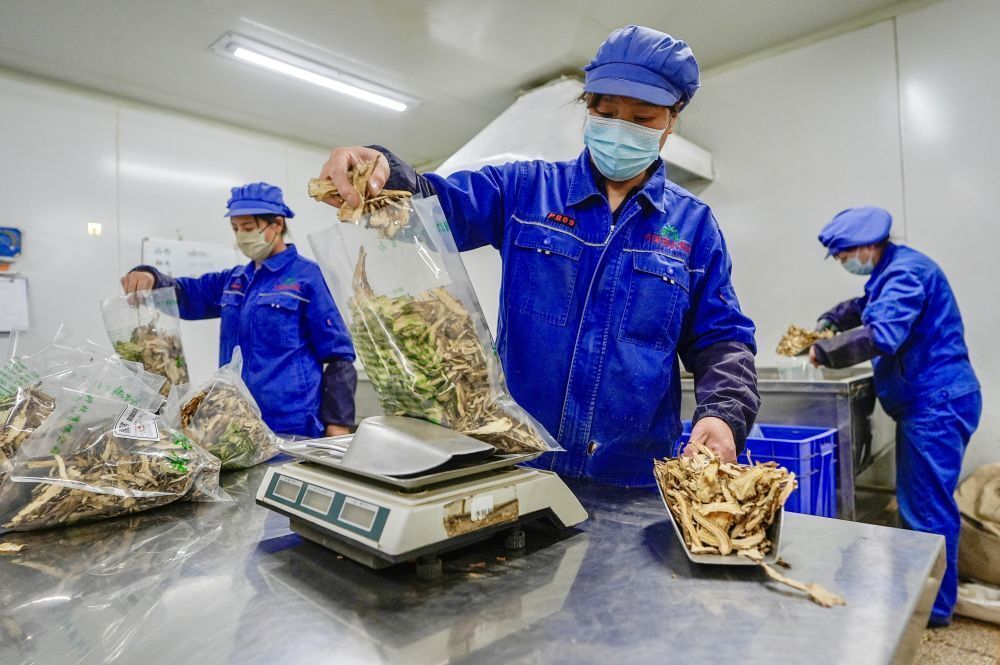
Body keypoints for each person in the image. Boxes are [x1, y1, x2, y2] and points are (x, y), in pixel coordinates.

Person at [314, 25, 760, 486]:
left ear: (672, 120)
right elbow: (436, 204)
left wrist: (723, 414)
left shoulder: (693, 226)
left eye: (641, 118)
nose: (619, 129)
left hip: (632, 481)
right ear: (588, 108)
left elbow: (722, 340)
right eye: (605, 112)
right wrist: (382, 173)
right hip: (519, 467)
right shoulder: (526, 190)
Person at [809, 206, 980, 627]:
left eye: (843, 254)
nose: (842, 261)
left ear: (867, 246)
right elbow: (864, 306)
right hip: (931, 401)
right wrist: (832, 319)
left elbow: (882, 334)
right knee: (921, 505)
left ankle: (932, 611)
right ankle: (928, 598)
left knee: (926, 511)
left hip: (936, 405)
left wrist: (823, 351)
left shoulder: (906, 274)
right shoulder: (892, 271)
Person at [120, 182, 357, 438]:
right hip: (234, 419)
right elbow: (187, 295)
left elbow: (339, 356)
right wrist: (151, 278)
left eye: (248, 228)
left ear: (277, 224)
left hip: (292, 424)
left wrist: (337, 423)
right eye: (235, 228)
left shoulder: (309, 278)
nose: (241, 235)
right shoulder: (234, 280)